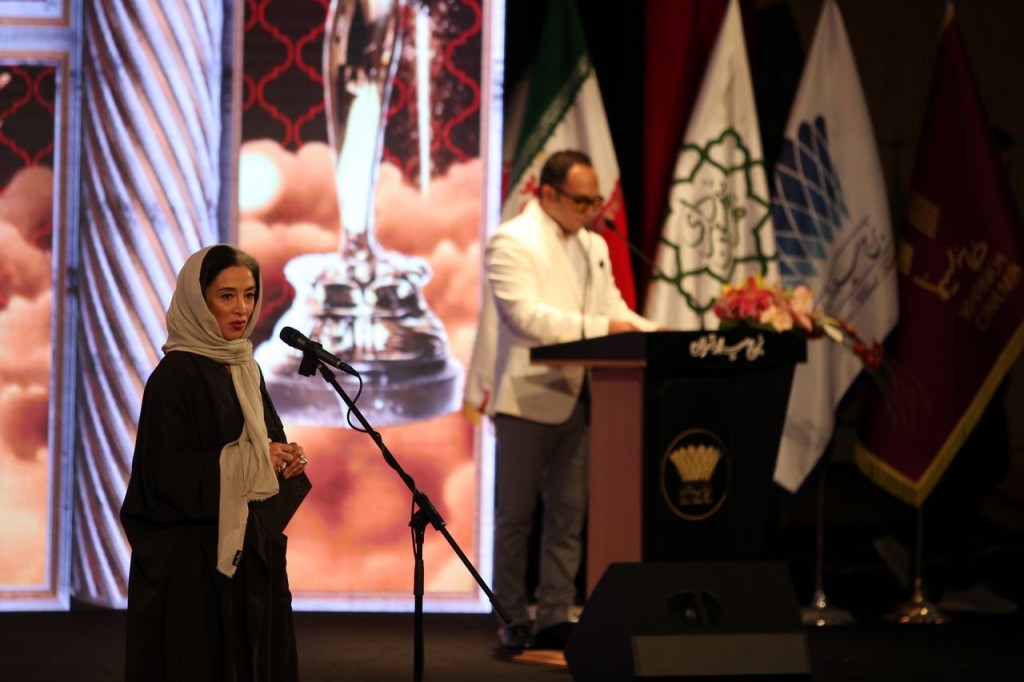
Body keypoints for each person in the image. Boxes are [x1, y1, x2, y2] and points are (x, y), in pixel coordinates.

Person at [481, 150, 661, 652]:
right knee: (516, 517)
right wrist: (606, 327)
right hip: (526, 398)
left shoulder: (593, 244)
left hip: (581, 396)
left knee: (568, 515)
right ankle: (511, 616)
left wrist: (657, 333)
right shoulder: (512, 240)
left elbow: (613, 307)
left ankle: (556, 614)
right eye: (581, 201)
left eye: (594, 200)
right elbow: (526, 317)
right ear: (548, 194)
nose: (591, 210)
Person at [120, 244, 310, 680]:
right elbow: (164, 478)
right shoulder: (174, 376)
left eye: (249, 294)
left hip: (249, 558)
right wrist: (251, 462)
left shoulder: (245, 367)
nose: (242, 308)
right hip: (191, 567)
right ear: (198, 298)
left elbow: (267, 444)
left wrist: (286, 458)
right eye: (227, 296)